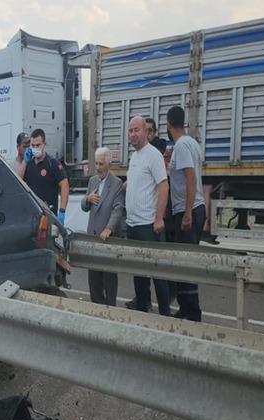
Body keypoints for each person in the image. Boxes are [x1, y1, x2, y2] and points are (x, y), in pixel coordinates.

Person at [124, 115, 170, 315]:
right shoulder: (134, 157)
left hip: (147, 225)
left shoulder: (153, 155)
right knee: (139, 274)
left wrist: (159, 217)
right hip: (133, 224)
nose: (133, 134)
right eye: (130, 131)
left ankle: (165, 315)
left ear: (145, 131)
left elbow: (163, 186)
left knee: (156, 272)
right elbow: (131, 185)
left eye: (136, 130)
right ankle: (143, 311)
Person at [167, 106, 205, 322]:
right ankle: (186, 306)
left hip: (187, 209)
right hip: (195, 207)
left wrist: (187, 213)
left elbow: (191, 179)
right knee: (184, 261)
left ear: (169, 124)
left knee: (185, 262)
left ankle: (192, 312)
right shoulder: (191, 143)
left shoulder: (181, 145)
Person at [81, 148, 124, 306]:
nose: (98, 167)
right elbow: (84, 207)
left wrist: (109, 228)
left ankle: (110, 308)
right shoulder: (93, 181)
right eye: (96, 163)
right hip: (92, 236)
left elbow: (118, 209)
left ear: (108, 164)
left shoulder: (117, 183)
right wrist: (87, 199)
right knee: (94, 279)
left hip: (107, 238)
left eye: (101, 164)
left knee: (109, 277)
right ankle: (96, 307)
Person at [15, 128, 69, 223]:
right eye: (32, 145)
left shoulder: (52, 163)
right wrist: (24, 162)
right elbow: (17, 181)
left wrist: (62, 211)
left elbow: (64, 184)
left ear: (44, 144)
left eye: (38, 145)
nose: (35, 147)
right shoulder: (28, 163)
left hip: (49, 216)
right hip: (32, 216)